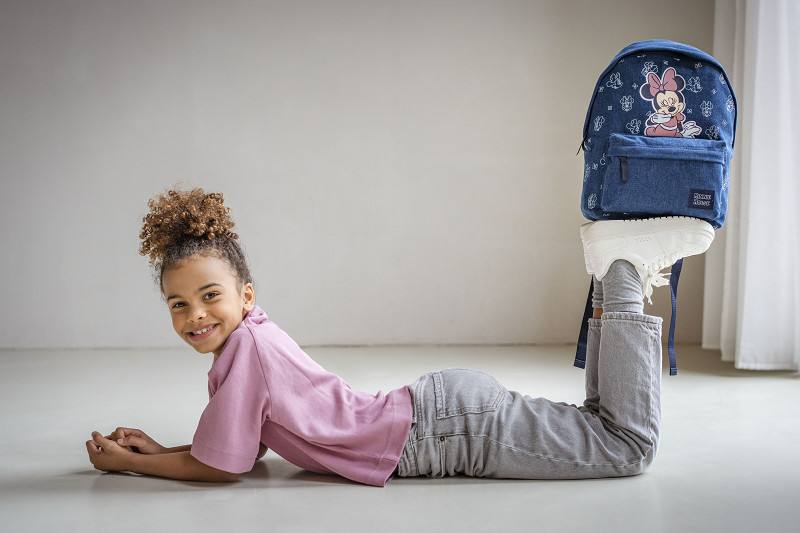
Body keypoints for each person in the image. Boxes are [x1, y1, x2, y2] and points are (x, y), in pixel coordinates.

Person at [86, 188, 714, 485]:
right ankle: (612, 269)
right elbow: (243, 452)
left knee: (626, 445)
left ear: (246, 296)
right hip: (447, 417)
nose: (195, 315)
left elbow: (221, 467)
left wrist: (134, 466)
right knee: (601, 425)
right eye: (178, 304)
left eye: (210, 296)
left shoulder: (246, 349)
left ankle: (622, 266)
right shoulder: (245, 344)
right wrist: (160, 449)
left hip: (448, 432)